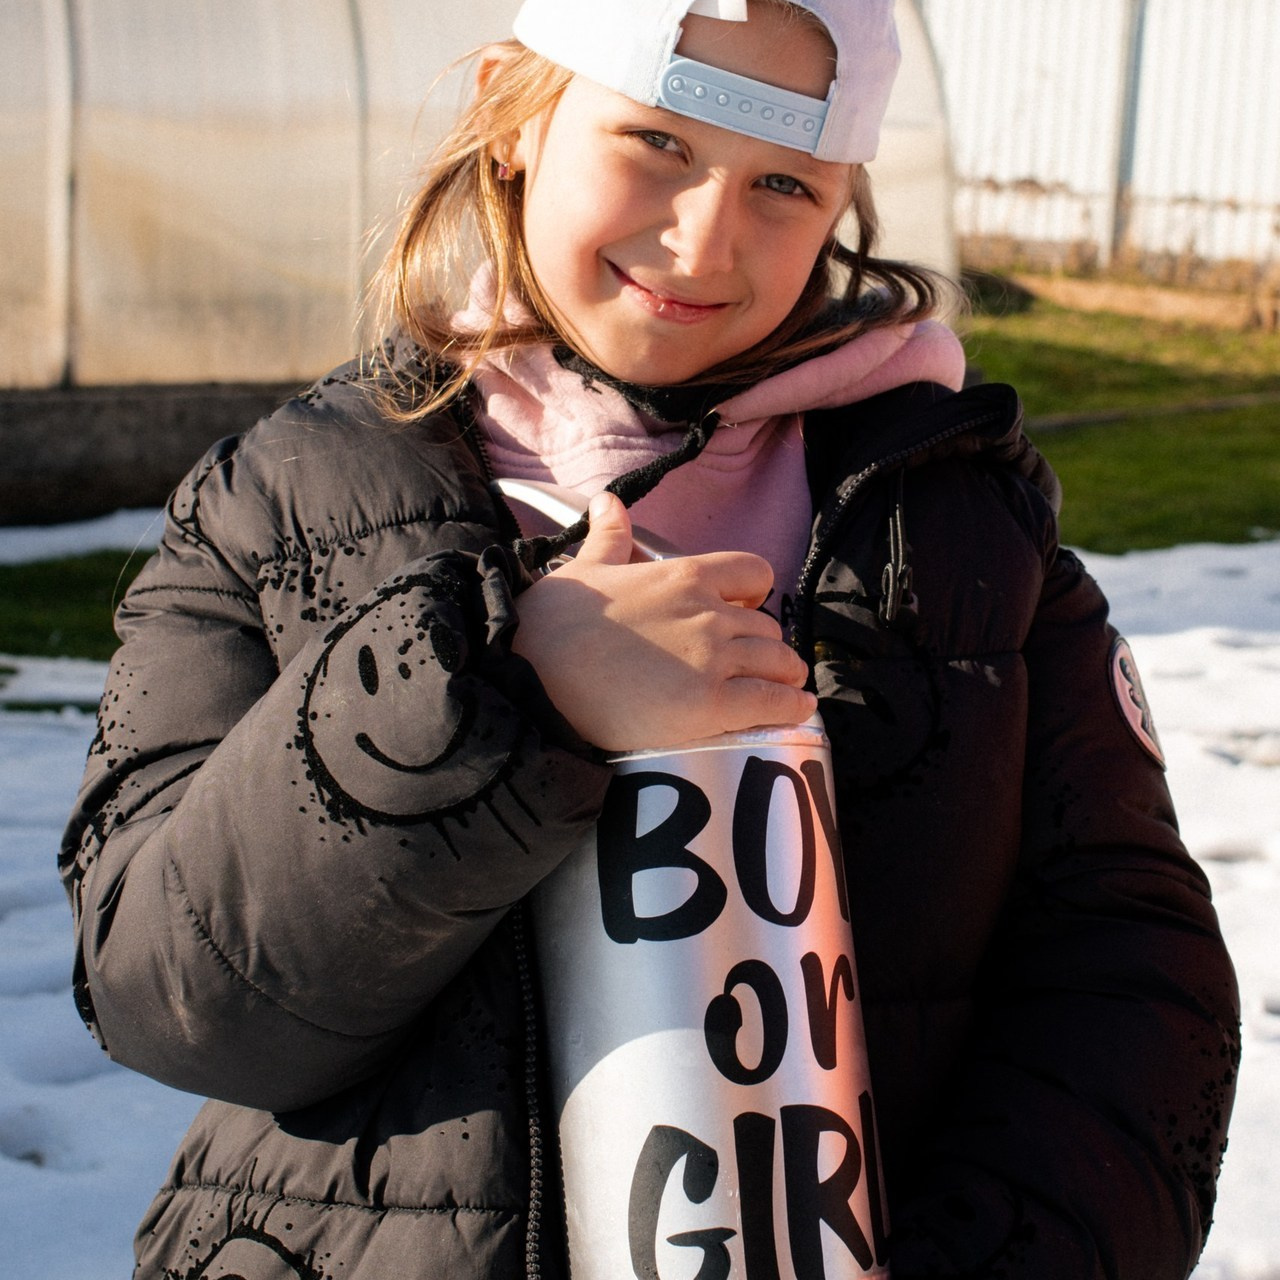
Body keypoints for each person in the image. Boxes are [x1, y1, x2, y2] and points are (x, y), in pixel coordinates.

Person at [59, 0, 1239, 1277]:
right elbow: (169, 992)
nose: (701, 240)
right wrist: (502, 686)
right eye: (656, 144)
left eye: (783, 181)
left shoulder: (963, 534)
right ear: (516, 116)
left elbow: (1129, 971)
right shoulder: (277, 507)